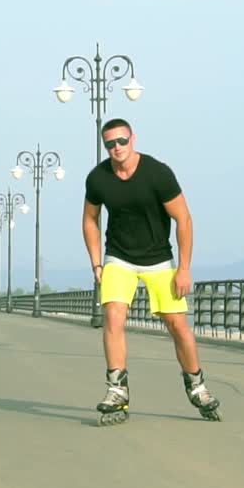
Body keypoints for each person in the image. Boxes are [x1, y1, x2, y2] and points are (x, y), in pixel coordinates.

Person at [82, 118, 220, 424]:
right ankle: (117, 389)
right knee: (113, 315)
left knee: (177, 325)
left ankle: (197, 386)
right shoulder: (98, 178)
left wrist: (184, 268)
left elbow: (184, 219)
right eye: (110, 144)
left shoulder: (157, 173)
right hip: (118, 257)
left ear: (133, 139)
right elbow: (90, 218)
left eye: (122, 141)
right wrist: (96, 263)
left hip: (159, 259)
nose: (117, 148)